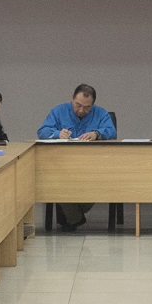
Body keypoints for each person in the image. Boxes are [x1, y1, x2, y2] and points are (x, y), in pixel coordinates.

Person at [36, 83, 118, 229]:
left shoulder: (101, 114)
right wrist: (57, 134)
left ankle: (72, 215)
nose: (81, 110)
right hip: (63, 165)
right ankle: (74, 217)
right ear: (72, 99)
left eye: (87, 107)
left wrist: (97, 134)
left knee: (97, 184)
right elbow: (42, 131)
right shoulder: (58, 111)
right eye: (78, 105)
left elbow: (112, 132)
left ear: (93, 105)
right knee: (55, 182)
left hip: (92, 166)